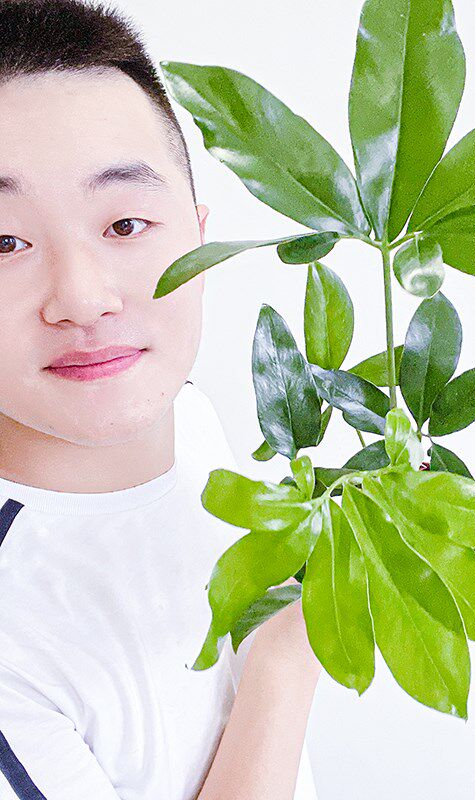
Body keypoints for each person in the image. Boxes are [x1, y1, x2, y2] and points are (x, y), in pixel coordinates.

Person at [0, 1, 322, 798]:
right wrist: (287, 661)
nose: (82, 298)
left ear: (201, 238)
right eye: (4, 242)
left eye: (125, 224)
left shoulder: (190, 416)